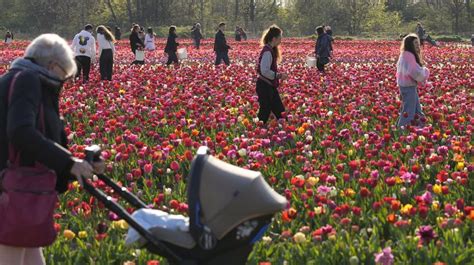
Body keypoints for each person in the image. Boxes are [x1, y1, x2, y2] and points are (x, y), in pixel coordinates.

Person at [0, 33, 104, 265]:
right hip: (13, 189)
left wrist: (73, 165)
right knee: (12, 255)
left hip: (21, 188)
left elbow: (40, 135)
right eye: (64, 74)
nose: (62, 82)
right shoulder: (27, 80)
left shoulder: (20, 78)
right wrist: (68, 163)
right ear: (52, 65)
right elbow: (21, 132)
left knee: (31, 254)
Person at [255, 25, 288, 125]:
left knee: (280, 111)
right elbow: (264, 70)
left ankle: (286, 129)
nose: (280, 41)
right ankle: (258, 132)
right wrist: (278, 76)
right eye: (280, 38)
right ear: (274, 39)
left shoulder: (270, 50)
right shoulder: (267, 52)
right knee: (265, 112)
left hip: (269, 86)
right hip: (265, 86)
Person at [396, 34, 430, 127]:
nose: (417, 46)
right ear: (409, 44)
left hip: (406, 86)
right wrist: (425, 72)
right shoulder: (409, 56)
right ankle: (401, 130)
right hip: (408, 87)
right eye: (415, 43)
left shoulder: (404, 54)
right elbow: (414, 71)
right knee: (409, 112)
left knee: (417, 110)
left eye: (418, 43)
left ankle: (421, 128)